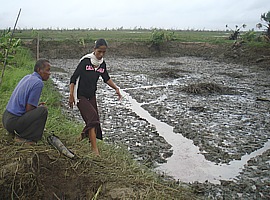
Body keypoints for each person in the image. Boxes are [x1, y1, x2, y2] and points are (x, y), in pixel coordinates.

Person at [69, 38, 121, 155]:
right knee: (92, 118)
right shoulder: (85, 61)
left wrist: (116, 88)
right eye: (99, 51)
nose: (101, 54)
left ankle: (81, 138)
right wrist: (71, 95)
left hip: (91, 95)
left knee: (94, 120)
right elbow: (73, 79)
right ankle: (94, 150)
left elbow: (106, 78)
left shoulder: (102, 64)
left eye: (104, 52)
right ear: (94, 50)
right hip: (80, 95)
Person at [2, 59, 51, 144]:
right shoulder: (38, 83)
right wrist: (39, 108)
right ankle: (26, 137)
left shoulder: (27, 77)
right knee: (43, 110)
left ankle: (18, 133)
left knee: (39, 109)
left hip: (6, 118)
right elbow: (29, 109)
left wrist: (36, 107)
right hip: (13, 122)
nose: (49, 73)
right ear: (39, 70)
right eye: (48, 70)